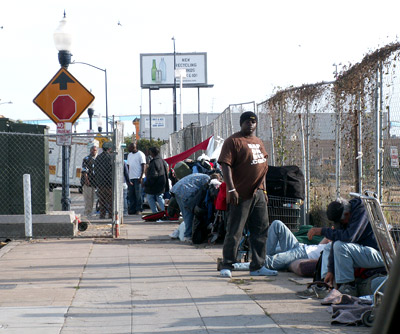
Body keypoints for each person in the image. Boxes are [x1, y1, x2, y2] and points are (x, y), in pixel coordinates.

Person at [218, 111, 275, 278]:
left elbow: (263, 166)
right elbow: (225, 166)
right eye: (247, 122)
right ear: (241, 123)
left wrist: (263, 189)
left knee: (261, 230)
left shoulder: (258, 142)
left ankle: (258, 265)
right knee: (235, 230)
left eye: (253, 121)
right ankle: (227, 264)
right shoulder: (233, 141)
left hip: (257, 194)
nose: (250, 124)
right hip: (240, 194)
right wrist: (231, 189)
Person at [307, 197, 384, 296]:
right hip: (363, 252)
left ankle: (348, 287)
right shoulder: (345, 213)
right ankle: (326, 285)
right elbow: (336, 241)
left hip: (378, 255)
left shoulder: (362, 211)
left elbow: (349, 237)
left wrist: (323, 231)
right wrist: (330, 270)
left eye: (342, 222)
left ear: (347, 214)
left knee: (341, 246)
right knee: (329, 246)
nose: (342, 224)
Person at [264, 220, 329, 270]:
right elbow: (319, 246)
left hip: (304, 254)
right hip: (302, 246)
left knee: (270, 261)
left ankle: (257, 264)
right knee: (277, 224)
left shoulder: (337, 246)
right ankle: (264, 254)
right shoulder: (335, 237)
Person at [170, 168, 210, 242]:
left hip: (177, 189)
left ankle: (187, 234)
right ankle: (187, 236)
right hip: (184, 191)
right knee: (188, 213)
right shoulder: (207, 179)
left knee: (185, 215)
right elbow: (203, 193)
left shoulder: (203, 176)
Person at [143, 147, 169, 213]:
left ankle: (155, 213)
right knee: (159, 197)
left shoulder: (154, 162)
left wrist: (147, 183)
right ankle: (164, 212)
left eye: (150, 152)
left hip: (155, 184)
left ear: (153, 153)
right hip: (161, 183)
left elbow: (154, 175)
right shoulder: (162, 161)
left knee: (150, 197)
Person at [94, 142, 113, 219]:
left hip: (101, 182)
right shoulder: (111, 157)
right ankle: (111, 215)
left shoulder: (98, 157)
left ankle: (102, 215)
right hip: (109, 183)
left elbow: (95, 169)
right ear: (109, 149)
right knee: (110, 200)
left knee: (102, 200)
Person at [127, 142, 146, 215]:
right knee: (131, 194)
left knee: (138, 194)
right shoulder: (129, 155)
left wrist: (141, 176)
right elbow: (128, 166)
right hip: (131, 177)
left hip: (138, 177)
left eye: (130, 147)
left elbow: (143, 165)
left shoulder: (140, 154)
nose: (129, 148)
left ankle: (139, 209)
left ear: (134, 147)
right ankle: (132, 209)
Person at [81, 145, 97, 218]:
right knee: (88, 198)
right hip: (88, 182)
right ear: (91, 150)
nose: (95, 152)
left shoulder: (95, 160)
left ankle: (90, 211)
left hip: (94, 182)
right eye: (94, 150)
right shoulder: (87, 159)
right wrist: (86, 180)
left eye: (96, 150)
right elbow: (84, 171)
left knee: (92, 198)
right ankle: (87, 212)